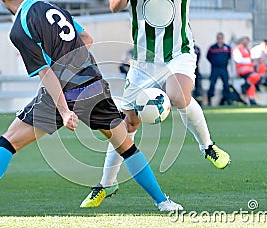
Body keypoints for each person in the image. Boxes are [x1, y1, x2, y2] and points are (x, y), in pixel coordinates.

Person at [0, 0, 183, 214]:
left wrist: (65, 110)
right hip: (94, 82)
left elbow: (46, 73)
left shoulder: (20, 29)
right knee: (127, 147)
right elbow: (86, 38)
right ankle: (164, 202)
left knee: (9, 141)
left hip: (63, 89)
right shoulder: (50, 7)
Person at [80, 0, 231, 208]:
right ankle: (106, 184)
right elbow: (115, 6)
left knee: (178, 95)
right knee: (126, 125)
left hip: (178, 54)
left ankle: (207, 146)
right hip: (143, 61)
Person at [232, 36, 261, 105]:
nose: (246, 42)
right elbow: (237, 60)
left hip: (249, 70)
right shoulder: (237, 49)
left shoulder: (247, 50)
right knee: (255, 77)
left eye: (247, 41)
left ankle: (251, 99)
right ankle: (244, 86)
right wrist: (249, 60)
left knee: (252, 84)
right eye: (244, 40)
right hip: (242, 70)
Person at [206, 32, 231, 106]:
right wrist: (214, 62)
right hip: (215, 68)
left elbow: (229, 57)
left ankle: (227, 100)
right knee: (212, 84)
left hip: (224, 68)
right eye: (218, 38)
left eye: (221, 38)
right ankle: (209, 100)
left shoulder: (227, 47)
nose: (220, 39)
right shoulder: (212, 47)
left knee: (226, 84)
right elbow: (208, 57)